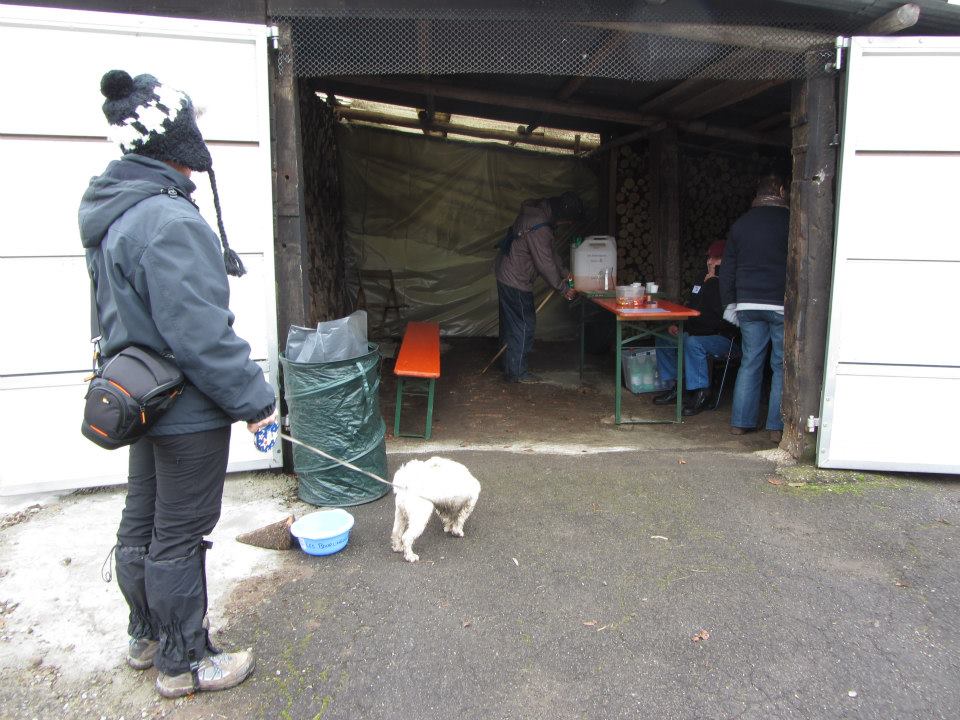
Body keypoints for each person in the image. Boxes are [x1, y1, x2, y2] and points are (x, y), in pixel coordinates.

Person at [79, 70, 278, 698]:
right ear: (176, 138)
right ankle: (185, 661)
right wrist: (256, 401)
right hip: (185, 408)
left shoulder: (117, 211)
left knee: (142, 521)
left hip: (143, 398)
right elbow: (202, 335)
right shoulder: (168, 220)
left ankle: (145, 635)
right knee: (180, 535)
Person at [720, 173, 790, 443]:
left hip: (747, 304)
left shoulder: (741, 224)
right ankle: (776, 427)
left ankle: (740, 423)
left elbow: (727, 269)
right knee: (780, 365)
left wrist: (729, 302)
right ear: (782, 190)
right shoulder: (791, 222)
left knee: (750, 361)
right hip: (781, 304)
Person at [494, 192, 582, 383]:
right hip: (515, 280)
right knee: (524, 323)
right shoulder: (540, 226)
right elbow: (544, 263)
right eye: (567, 222)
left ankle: (509, 364)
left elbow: (549, 251)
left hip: (506, 273)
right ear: (562, 216)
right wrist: (563, 288)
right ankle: (517, 372)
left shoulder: (538, 214)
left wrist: (565, 272)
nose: (565, 225)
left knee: (511, 323)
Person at [652, 240, 737, 416]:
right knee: (664, 338)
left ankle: (702, 393)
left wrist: (713, 283)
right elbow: (692, 307)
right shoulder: (701, 277)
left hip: (724, 337)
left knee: (693, 343)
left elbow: (722, 315)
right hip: (697, 331)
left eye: (716, 258)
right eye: (709, 257)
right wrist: (681, 325)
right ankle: (678, 385)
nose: (710, 262)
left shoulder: (732, 281)